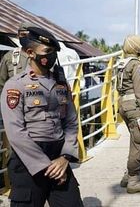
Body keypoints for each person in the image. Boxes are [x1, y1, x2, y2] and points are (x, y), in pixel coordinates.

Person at [0, 26, 83, 206]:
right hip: (28, 161)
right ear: (30, 52)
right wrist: (45, 166)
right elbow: (16, 132)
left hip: (59, 158)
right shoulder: (15, 85)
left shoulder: (60, 83)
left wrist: (65, 158)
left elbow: (71, 122)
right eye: (47, 51)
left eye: (54, 52)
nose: (52, 56)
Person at [116, 35, 140, 194]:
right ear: (139, 49)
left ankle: (128, 176)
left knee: (134, 139)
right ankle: (133, 180)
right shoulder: (136, 65)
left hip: (124, 105)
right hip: (135, 107)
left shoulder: (121, 64)